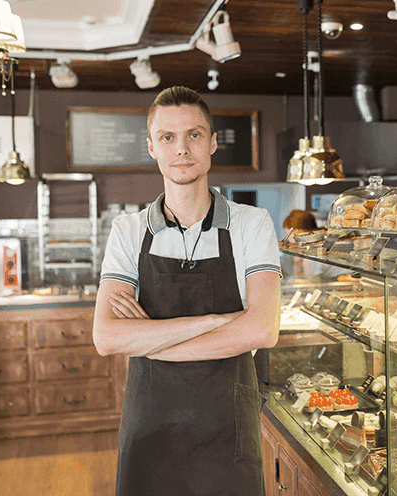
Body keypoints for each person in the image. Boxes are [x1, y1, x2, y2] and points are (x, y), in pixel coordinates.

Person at [92, 86, 281, 496]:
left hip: (227, 427)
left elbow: (263, 331)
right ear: (151, 147)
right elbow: (107, 337)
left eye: (194, 135)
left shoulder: (252, 223)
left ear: (212, 143)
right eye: (167, 138)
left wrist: (149, 342)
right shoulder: (128, 231)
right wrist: (216, 321)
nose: (182, 149)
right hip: (150, 426)